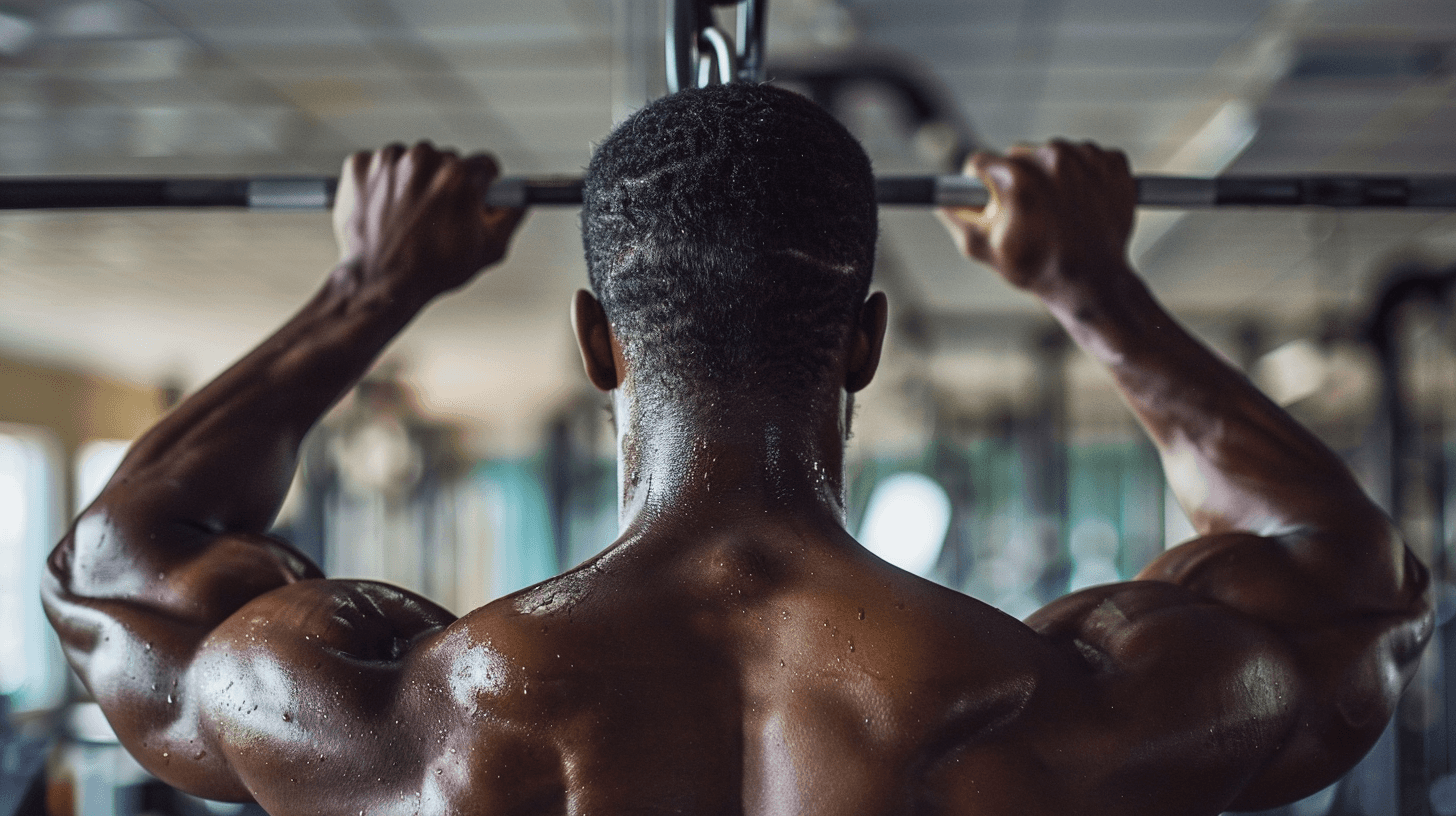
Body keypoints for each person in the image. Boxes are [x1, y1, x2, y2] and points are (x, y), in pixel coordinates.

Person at [43, 83, 1431, 816]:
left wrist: (370, 289)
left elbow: (119, 565)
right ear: (863, 342)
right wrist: (1095, 291)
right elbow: (1345, 586)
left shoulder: (413, 724)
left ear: (598, 344)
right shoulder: (1052, 713)